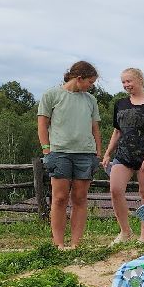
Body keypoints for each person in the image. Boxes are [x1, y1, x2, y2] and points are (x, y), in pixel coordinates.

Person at [37, 60, 101, 249]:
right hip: (60, 153)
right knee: (59, 198)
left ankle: (75, 244)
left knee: (80, 198)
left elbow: (95, 128)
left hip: (85, 154)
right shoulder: (51, 95)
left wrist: (98, 153)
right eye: (90, 82)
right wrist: (46, 149)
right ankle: (58, 244)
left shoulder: (91, 100)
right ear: (79, 78)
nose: (91, 86)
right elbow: (42, 123)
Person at [102, 67, 144, 245]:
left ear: (139, 80)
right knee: (115, 190)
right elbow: (117, 132)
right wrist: (107, 153)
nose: (126, 85)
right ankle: (125, 232)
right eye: (123, 82)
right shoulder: (120, 104)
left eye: (129, 81)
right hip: (123, 155)